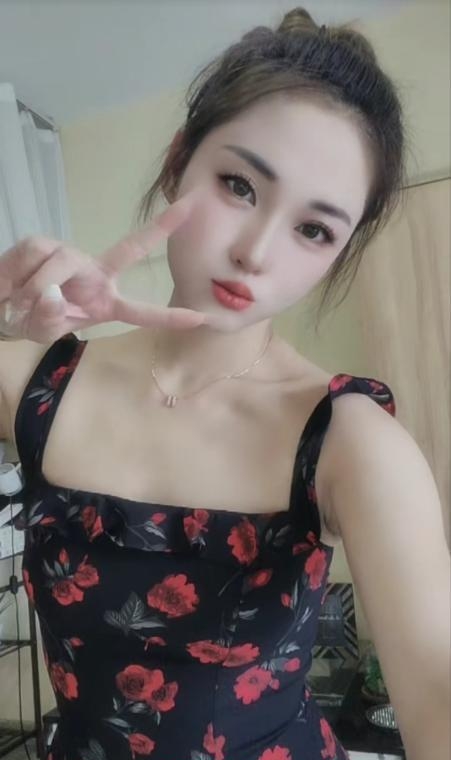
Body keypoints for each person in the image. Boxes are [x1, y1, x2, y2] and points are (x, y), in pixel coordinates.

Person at [0, 7, 449, 760]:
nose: (256, 251)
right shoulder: (38, 385)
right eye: (239, 185)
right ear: (177, 163)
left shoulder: (349, 440)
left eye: (314, 230)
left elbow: (437, 686)